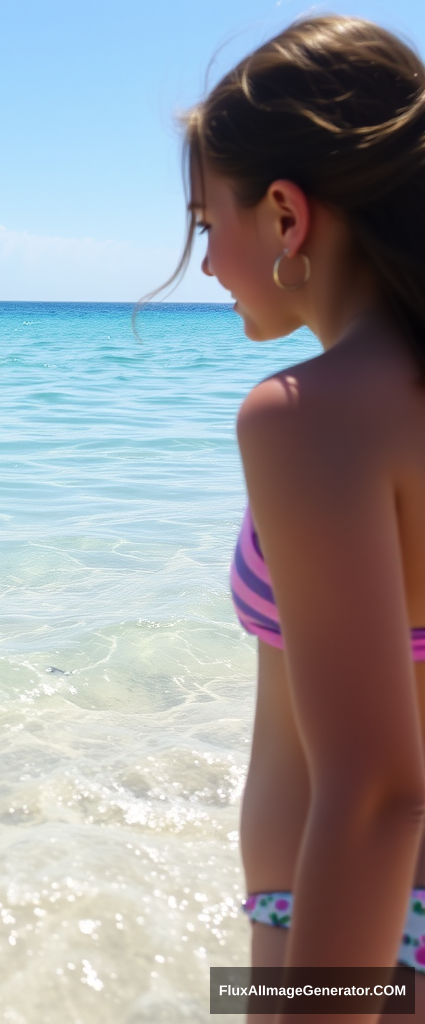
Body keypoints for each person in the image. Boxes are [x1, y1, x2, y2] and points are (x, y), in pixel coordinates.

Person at [172, 15, 425, 1022]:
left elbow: (372, 791)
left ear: (285, 214)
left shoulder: (301, 416)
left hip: (335, 937)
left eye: (204, 226)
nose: (204, 266)